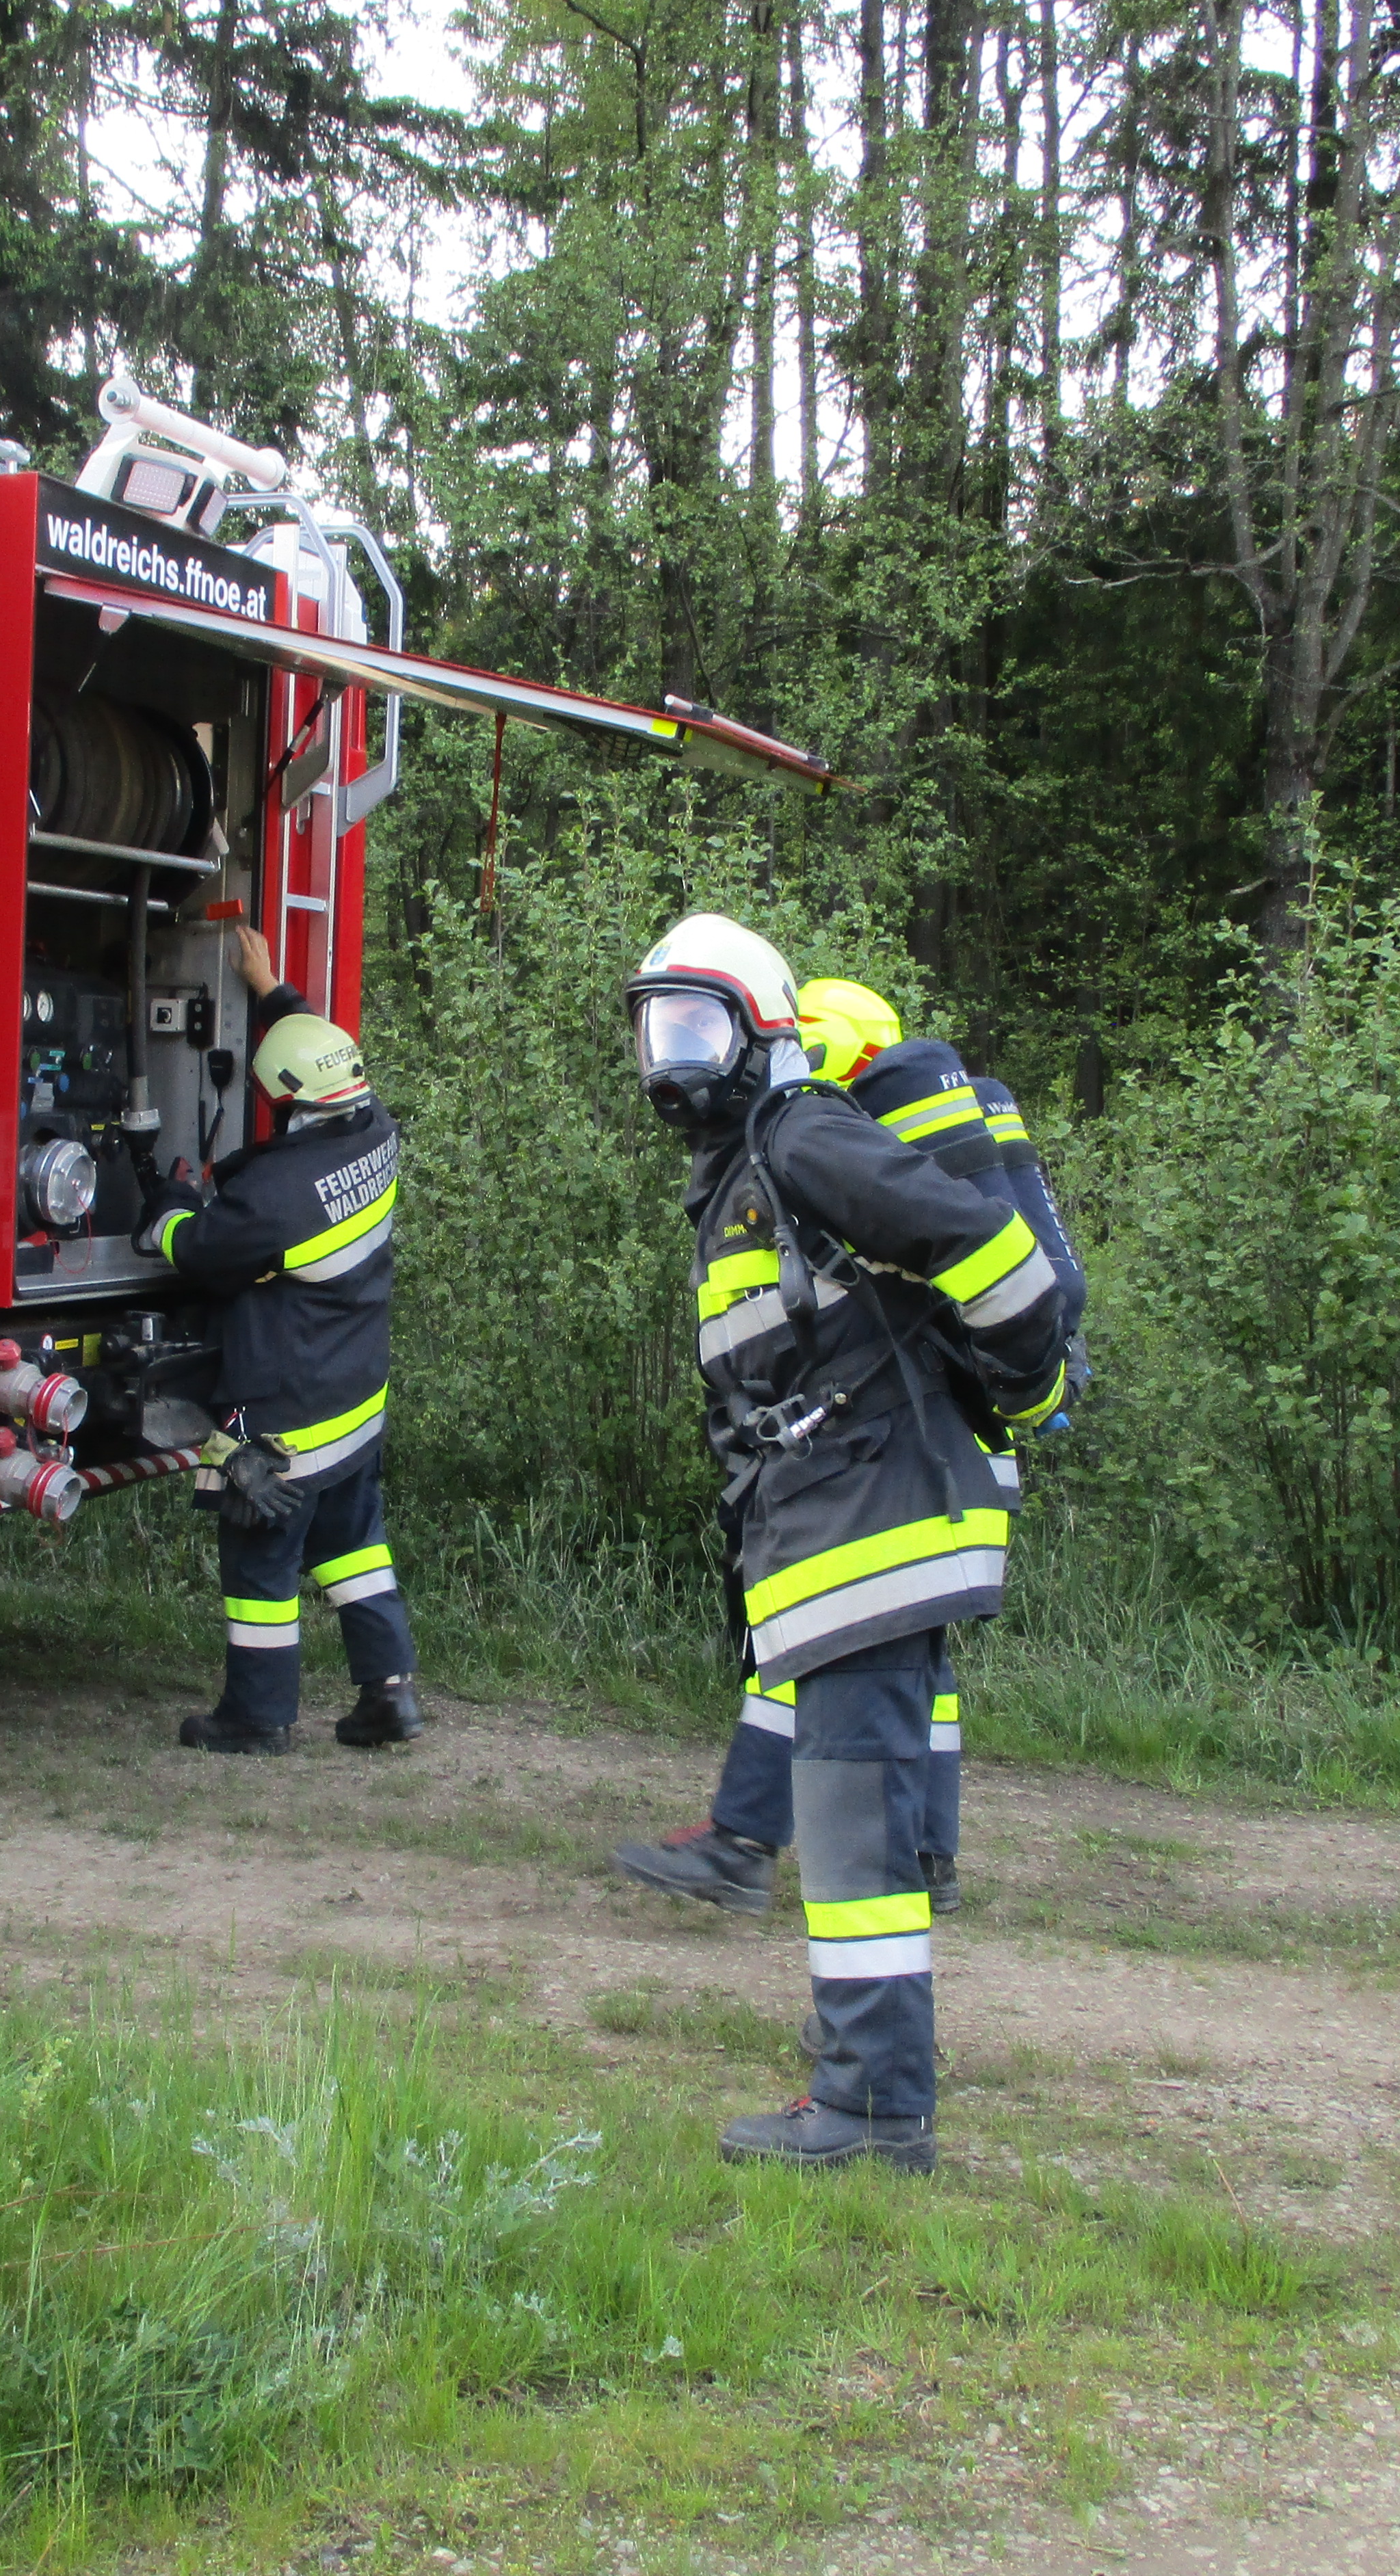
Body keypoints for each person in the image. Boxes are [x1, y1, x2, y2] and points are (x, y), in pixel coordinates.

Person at [620, 916, 1068, 2171]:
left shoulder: (802, 1134)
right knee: (852, 1823)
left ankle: (872, 2108)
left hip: (873, 1530)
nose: (672, 1060)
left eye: (697, 1027)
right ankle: (868, 2082)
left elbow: (991, 1249)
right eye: (657, 1029)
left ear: (764, 1033)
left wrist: (1028, 1381)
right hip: (839, 1533)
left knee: (854, 1833)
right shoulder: (754, 1167)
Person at [133, 925, 419, 1756]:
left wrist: (166, 1206)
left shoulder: (275, 1195)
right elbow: (317, 1053)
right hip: (355, 1398)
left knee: (260, 1557)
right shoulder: (376, 1130)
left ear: (289, 1102)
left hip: (288, 1416)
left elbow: (198, 1251)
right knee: (353, 1544)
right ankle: (390, 1694)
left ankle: (257, 1719)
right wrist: (269, 990)